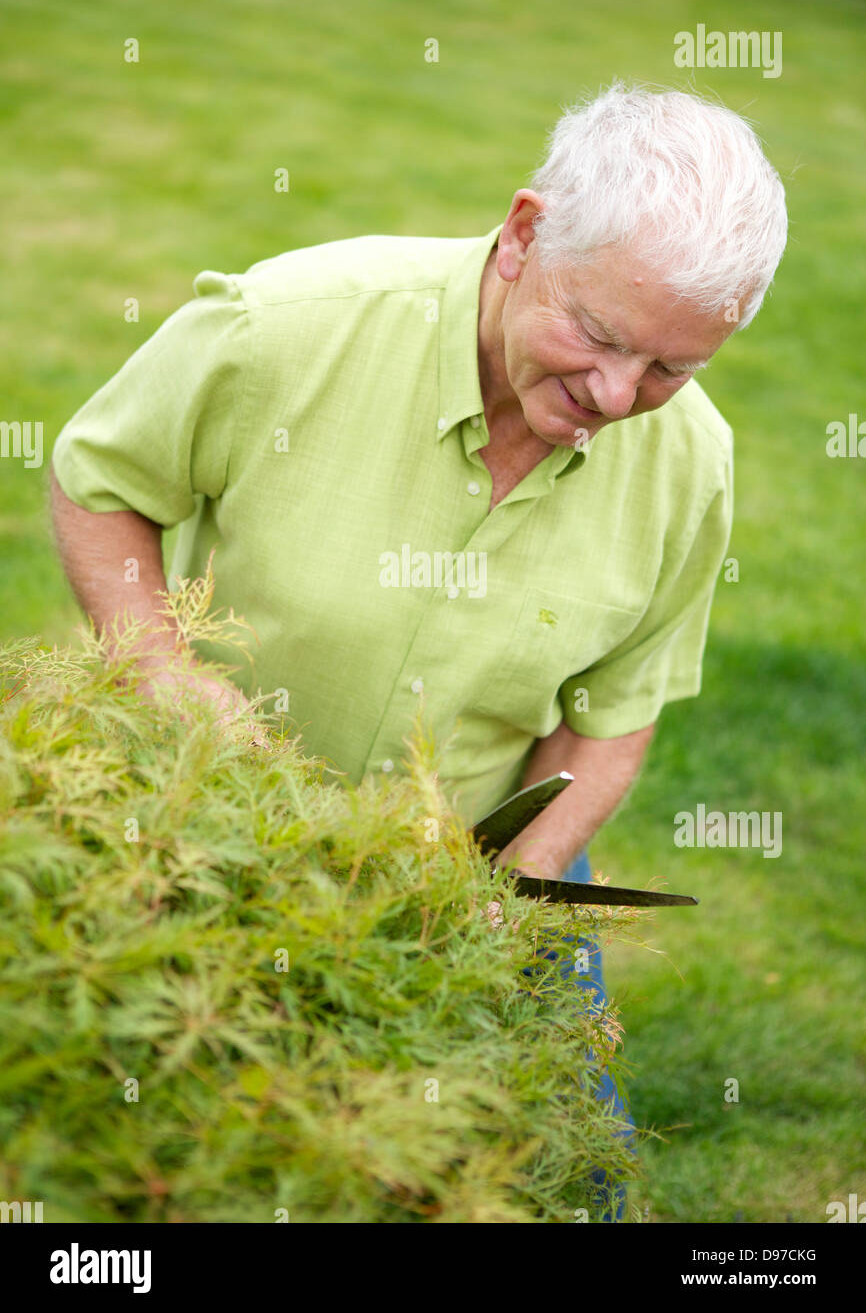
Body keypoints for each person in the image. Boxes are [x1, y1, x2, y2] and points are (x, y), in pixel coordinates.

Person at [50, 80, 787, 1219]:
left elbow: (612, 715)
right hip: (205, 812)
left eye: (668, 369)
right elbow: (99, 478)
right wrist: (163, 672)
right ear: (523, 233)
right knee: (150, 1150)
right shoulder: (291, 322)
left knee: (564, 1182)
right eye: (593, 336)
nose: (612, 393)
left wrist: (522, 874)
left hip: (475, 867)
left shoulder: (693, 465)